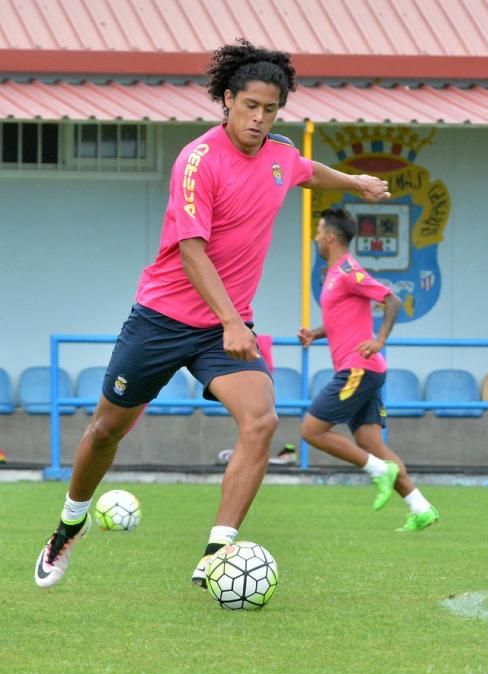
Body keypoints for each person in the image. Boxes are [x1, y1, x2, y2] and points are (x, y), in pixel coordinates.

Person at [34, 39, 392, 590]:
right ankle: (68, 525)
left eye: (270, 110)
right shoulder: (197, 161)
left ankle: (215, 552)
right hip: (161, 318)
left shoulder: (278, 155)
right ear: (227, 99)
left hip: (223, 328)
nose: (259, 118)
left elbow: (303, 169)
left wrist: (355, 182)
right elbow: (191, 251)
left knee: (262, 420)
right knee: (107, 429)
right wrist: (229, 321)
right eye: (250, 106)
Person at [298, 207, 439, 531]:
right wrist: (314, 334)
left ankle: (378, 471)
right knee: (371, 443)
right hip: (364, 370)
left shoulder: (349, 270)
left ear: (331, 237)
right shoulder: (334, 274)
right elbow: (340, 319)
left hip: (358, 368)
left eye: (319, 232)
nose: (316, 237)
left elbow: (391, 300)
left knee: (310, 430)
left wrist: (380, 339)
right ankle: (420, 507)